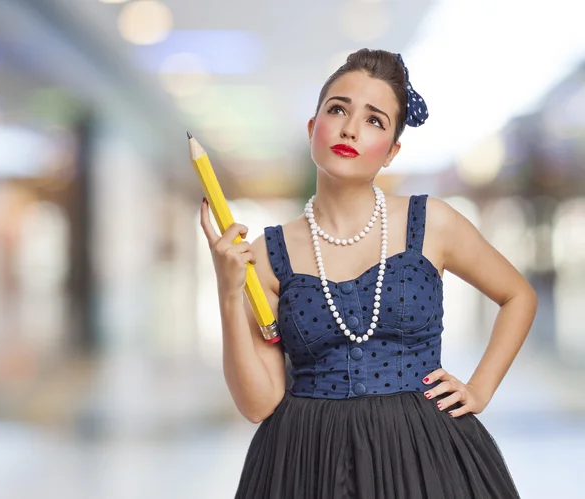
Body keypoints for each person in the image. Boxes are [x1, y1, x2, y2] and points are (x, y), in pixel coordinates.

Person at [199, 48, 538, 499]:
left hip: (426, 453)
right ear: (312, 128)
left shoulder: (432, 222)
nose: (350, 128)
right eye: (337, 109)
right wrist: (227, 293)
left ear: (392, 152)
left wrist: (480, 388)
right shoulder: (267, 252)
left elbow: (518, 296)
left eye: (375, 120)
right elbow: (259, 403)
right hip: (305, 461)